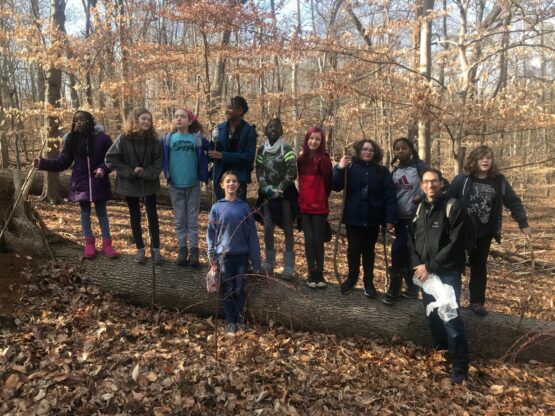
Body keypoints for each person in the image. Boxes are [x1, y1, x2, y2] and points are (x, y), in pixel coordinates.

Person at [446, 145, 531, 316]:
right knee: (455, 264)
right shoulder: (463, 179)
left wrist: (523, 223)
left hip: (484, 233)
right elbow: (448, 199)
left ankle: (477, 302)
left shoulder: (499, 181)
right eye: (481, 158)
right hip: (462, 231)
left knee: (479, 266)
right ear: (474, 160)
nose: (485, 161)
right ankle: (450, 300)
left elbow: (513, 201)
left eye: (488, 158)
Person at [408, 168, 469, 384]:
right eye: (426, 182)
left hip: (447, 273)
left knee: (450, 319)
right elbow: (411, 238)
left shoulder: (453, 207)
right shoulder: (419, 208)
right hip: (426, 274)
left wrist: (430, 266)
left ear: (442, 184)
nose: (430, 186)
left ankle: (460, 366)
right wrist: (418, 265)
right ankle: (442, 351)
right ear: (422, 185)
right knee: (432, 317)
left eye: (434, 182)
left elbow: (455, 244)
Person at [34, 110, 118, 259]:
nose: (78, 122)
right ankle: (89, 244)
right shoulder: (72, 139)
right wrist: (42, 163)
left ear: (89, 121)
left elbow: (112, 158)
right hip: (80, 182)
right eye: (76, 120)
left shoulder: (103, 139)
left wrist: (103, 169)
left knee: (102, 212)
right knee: (85, 213)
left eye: (82, 119)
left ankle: (107, 244)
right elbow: (62, 162)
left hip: (99, 181)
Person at [332, 139, 397, 297]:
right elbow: (335, 185)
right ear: (359, 151)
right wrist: (339, 168)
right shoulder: (350, 167)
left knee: (369, 251)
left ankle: (368, 282)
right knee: (353, 249)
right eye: (364, 149)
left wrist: (390, 218)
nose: (367, 152)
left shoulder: (382, 171)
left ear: (375, 153)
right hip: (353, 217)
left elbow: (390, 196)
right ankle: (352, 278)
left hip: (373, 218)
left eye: (371, 150)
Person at [105, 108, 164, 264]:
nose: (146, 122)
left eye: (149, 120)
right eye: (143, 119)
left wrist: (146, 173)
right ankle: (140, 249)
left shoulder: (153, 140)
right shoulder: (123, 139)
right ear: (135, 120)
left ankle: (156, 249)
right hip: (130, 183)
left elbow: (158, 162)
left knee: (152, 216)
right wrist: (131, 171)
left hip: (148, 182)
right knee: (135, 216)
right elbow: (111, 159)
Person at [207, 171, 261, 335]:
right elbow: (211, 233)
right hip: (223, 257)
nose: (232, 184)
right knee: (227, 289)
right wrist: (211, 255)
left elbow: (252, 235)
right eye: (228, 181)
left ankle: (241, 320)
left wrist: (256, 261)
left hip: (242, 256)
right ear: (222, 185)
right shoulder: (216, 207)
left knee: (239, 289)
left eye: (235, 181)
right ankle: (230, 322)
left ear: (238, 185)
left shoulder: (244, 207)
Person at [161, 108, 209, 267]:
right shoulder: (167, 139)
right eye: (176, 117)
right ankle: (182, 249)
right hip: (175, 185)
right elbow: (155, 154)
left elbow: (212, 149)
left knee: (193, 220)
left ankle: (194, 250)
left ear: (190, 121)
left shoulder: (197, 138)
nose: (179, 119)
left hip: (193, 184)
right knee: (180, 219)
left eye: (183, 117)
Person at [383, 138, 429, 304]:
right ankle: (411, 289)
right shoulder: (394, 171)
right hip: (399, 219)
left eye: (404, 148)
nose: (400, 151)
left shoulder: (420, 167)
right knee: (407, 253)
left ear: (411, 149)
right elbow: (388, 194)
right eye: (397, 149)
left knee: (398, 248)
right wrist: (388, 217)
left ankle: (395, 290)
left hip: (416, 218)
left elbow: (440, 183)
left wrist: (421, 197)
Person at [255, 118, 298, 279]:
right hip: (267, 194)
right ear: (265, 131)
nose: (273, 129)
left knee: (287, 228)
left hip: (284, 193)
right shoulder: (261, 150)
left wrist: (279, 188)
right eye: (270, 127)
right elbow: (258, 170)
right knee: (267, 227)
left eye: (277, 127)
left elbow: (292, 170)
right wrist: (267, 188)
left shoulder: (286, 148)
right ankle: (269, 262)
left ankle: (288, 265)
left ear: (281, 131)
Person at [297, 126, 332, 288]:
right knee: (308, 240)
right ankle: (311, 272)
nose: (314, 142)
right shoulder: (301, 159)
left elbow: (328, 183)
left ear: (321, 141)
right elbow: (298, 181)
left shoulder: (324, 159)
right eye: (311, 138)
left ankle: (320, 273)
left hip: (319, 207)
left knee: (318, 240)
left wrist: (320, 197)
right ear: (307, 139)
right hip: (304, 206)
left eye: (317, 139)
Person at [209, 96, 257, 201]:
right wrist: (212, 141)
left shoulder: (249, 131)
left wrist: (223, 156)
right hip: (220, 178)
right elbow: (212, 153)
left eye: (230, 108)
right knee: (221, 210)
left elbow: (248, 157)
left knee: (238, 210)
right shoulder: (219, 128)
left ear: (240, 110)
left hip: (239, 178)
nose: (226, 111)